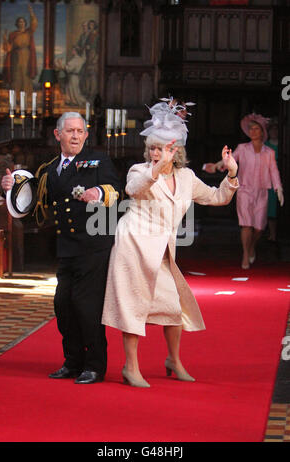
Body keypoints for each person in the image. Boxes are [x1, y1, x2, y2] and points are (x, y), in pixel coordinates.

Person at [101, 101, 239, 388]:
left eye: (161, 148)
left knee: (173, 306)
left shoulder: (186, 177)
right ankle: (131, 367)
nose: (155, 152)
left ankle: (173, 360)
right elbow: (133, 189)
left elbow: (218, 197)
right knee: (133, 306)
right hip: (134, 246)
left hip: (162, 251)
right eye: (152, 147)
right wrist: (156, 168)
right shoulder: (140, 170)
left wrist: (232, 174)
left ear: (176, 151)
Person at [2, 112, 121, 384]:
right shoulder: (49, 168)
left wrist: (100, 193)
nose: (76, 136)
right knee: (63, 305)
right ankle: (72, 362)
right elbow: (30, 203)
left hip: (94, 245)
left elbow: (117, 189)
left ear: (86, 134)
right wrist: (9, 188)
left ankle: (94, 366)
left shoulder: (98, 161)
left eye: (80, 131)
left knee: (86, 306)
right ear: (58, 135)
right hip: (66, 247)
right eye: (70, 131)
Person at [205, 113, 284, 269]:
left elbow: (273, 171)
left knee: (259, 227)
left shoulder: (269, 152)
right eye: (251, 129)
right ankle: (246, 255)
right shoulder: (243, 148)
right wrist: (217, 165)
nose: (253, 131)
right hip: (245, 191)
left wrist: (278, 188)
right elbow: (230, 160)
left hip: (262, 192)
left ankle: (251, 246)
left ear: (262, 132)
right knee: (246, 224)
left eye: (256, 128)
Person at [3, 4, 38, 96]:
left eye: (22, 22)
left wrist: (31, 13)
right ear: (17, 23)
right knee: (16, 76)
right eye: (19, 22)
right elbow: (8, 49)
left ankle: (27, 96)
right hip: (15, 57)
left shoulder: (28, 32)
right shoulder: (13, 34)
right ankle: (16, 97)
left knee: (26, 76)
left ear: (25, 23)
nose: (21, 23)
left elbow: (34, 24)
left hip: (26, 56)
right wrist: (5, 39)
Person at [265, 117, 279, 242]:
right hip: (268, 181)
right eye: (272, 130)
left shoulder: (284, 144)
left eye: (276, 130)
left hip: (280, 178)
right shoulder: (266, 146)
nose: (274, 132)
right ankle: (271, 234)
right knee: (270, 209)